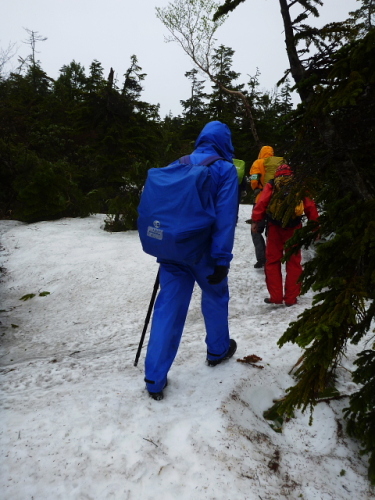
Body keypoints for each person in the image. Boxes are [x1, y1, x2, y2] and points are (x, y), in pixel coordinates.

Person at [144, 121, 239, 400]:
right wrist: (222, 258)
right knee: (215, 298)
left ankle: (154, 378)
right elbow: (225, 219)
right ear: (225, 142)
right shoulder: (224, 169)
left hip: (173, 250)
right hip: (205, 253)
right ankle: (218, 350)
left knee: (167, 310)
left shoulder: (180, 163)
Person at [251, 164, 319, 307]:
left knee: (273, 262)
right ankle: (291, 298)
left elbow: (262, 202)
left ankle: (276, 297)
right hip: (294, 228)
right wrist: (315, 227)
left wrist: (256, 221)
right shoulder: (298, 185)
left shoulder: (272, 184)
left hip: (275, 228)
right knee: (294, 262)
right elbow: (310, 206)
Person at [249, 145, 275, 268]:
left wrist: (256, 189)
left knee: (256, 230)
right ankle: (272, 257)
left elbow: (254, 179)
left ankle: (261, 258)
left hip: (260, 198)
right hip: (275, 200)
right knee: (272, 229)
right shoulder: (277, 163)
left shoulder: (257, 162)